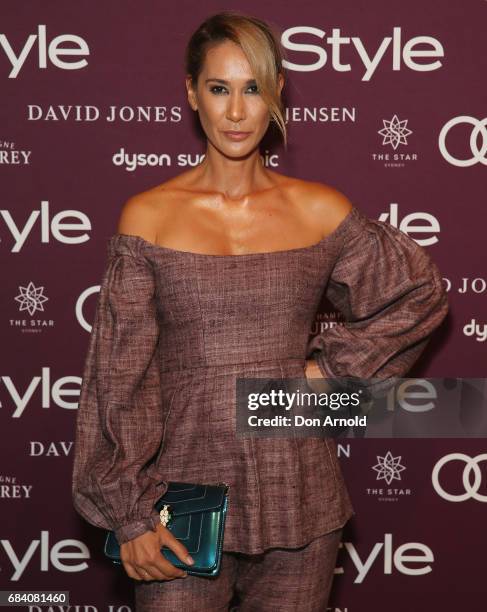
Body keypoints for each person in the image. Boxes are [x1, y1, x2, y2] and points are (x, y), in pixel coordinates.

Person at [71, 10, 449, 611]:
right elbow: (118, 380)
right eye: (220, 88)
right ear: (192, 93)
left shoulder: (319, 209)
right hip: (180, 504)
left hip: (300, 494)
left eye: (254, 88)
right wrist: (129, 515)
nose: (238, 111)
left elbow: (419, 295)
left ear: (274, 94)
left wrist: (329, 376)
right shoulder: (149, 216)